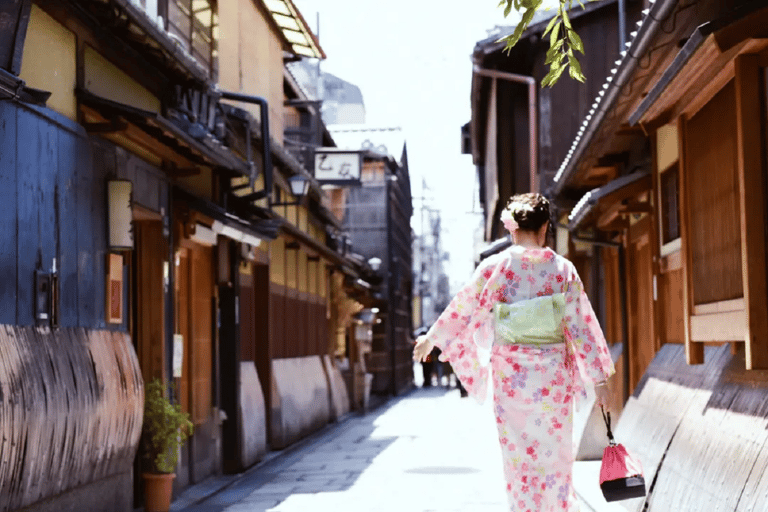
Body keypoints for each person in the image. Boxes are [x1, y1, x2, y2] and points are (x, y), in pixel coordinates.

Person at [413, 193, 614, 512]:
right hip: (553, 382)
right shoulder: (563, 269)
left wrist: (431, 339)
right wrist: (599, 380)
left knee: (519, 462)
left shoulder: (496, 266)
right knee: (555, 458)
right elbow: (581, 325)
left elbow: (462, 307)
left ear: (512, 228)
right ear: (546, 226)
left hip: (512, 382)